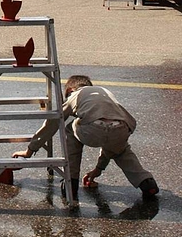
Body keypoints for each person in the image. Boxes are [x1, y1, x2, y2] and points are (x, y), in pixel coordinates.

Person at [12, 74, 159, 201]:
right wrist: (98, 170)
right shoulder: (105, 93)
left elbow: (53, 122)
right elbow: (107, 136)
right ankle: (146, 182)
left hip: (93, 128)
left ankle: (71, 181)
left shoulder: (75, 95)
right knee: (120, 150)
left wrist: (30, 150)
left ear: (70, 90)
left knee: (70, 129)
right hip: (122, 127)